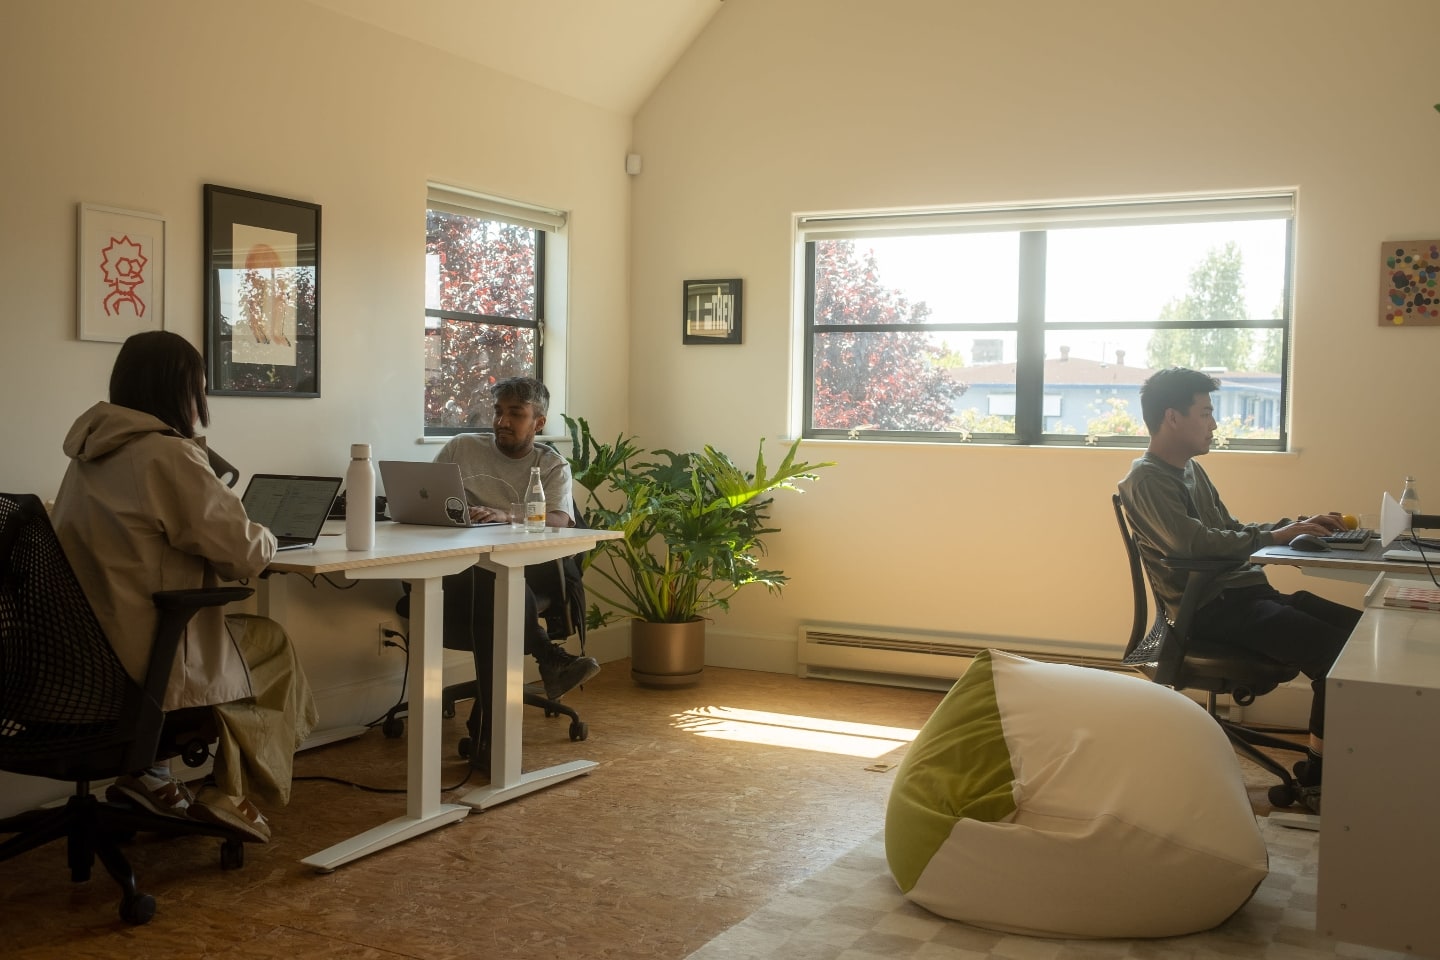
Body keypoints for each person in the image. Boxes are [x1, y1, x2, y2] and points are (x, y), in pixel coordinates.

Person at [50, 330, 318, 843]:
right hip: (143, 657)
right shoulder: (166, 455)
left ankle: (150, 773)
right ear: (183, 390)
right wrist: (265, 532)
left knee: (236, 641)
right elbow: (242, 555)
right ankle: (228, 792)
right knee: (271, 643)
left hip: (82, 655)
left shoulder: (87, 454)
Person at [1117, 366, 1358, 812]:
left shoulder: (1191, 472)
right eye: (1206, 412)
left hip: (1246, 596)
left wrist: (1292, 527)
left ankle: (1349, 761)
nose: (1214, 423)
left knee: (1361, 636)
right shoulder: (1146, 479)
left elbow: (1229, 530)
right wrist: (1276, 538)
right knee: (1336, 657)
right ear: (1173, 417)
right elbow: (1193, 544)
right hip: (1211, 608)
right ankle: (1318, 780)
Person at [429, 377, 600, 759]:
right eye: (498, 412)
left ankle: (489, 737)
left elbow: (558, 517)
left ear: (538, 423)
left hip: (531, 571)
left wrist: (505, 516)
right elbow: (429, 492)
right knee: (490, 585)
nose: (502, 421)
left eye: (515, 414)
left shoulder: (551, 465)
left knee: (499, 584)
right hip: (459, 569)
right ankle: (548, 655)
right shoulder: (462, 448)